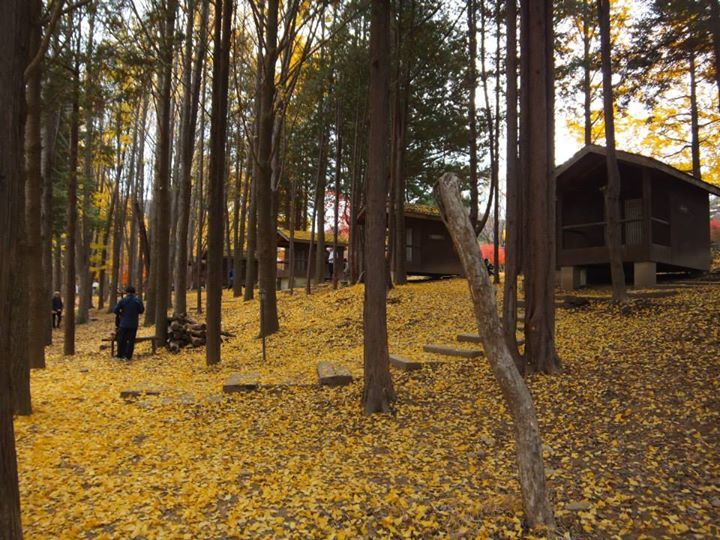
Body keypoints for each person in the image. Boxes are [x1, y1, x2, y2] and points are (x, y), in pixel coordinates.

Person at [112, 285, 145, 360]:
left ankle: (120, 355)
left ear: (127, 292)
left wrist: (121, 313)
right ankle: (128, 356)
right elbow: (141, 310)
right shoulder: (138, 301)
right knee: (131, 340)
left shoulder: (123, 300)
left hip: (123, 324)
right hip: (133, 324)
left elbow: (115, 310)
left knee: (121, 339)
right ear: (134, 292)